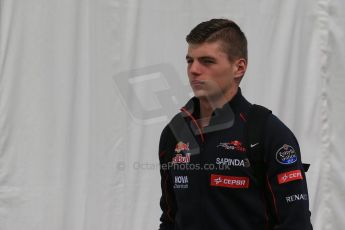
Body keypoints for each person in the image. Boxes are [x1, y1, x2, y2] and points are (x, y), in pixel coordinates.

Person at [158, 18, 313, 230]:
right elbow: (169, 218)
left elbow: (296, 224)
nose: (194, 70)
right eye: (189, 60)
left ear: (238, 67)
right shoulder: (175, 132)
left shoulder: (267, 132)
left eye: (207, 61)